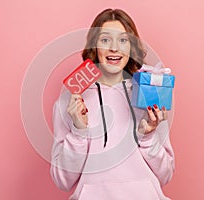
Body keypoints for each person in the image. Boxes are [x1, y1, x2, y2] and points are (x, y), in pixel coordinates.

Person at [50, 8, 175, 200]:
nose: (114, 48)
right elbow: (62, 181)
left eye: (123, 40)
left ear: (131, 47)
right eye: (105, 40)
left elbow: (166, 174)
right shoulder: (70, 101)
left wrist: (148, 135)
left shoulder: (150, 94)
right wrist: (78, 130)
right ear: (94, 46)